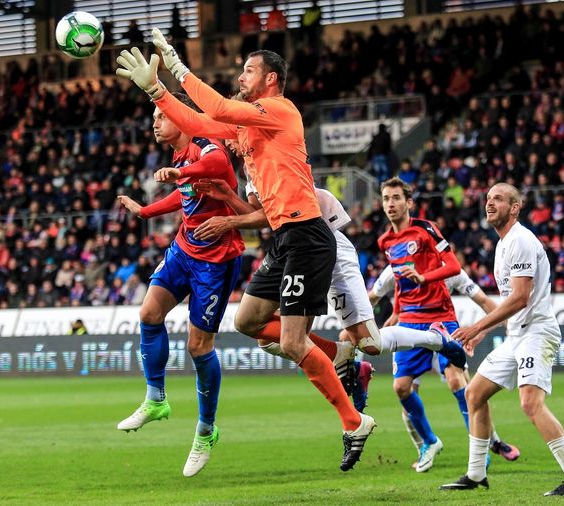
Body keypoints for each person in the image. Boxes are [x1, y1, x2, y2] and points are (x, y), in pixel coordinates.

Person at [115, 42, 376, 471]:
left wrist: (177, 68)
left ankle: (353, 421)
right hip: (284, 240)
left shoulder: (281, 110)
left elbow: (216, 105)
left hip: (309, 235)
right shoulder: (248, 131)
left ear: (270, 79)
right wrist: (155, 92)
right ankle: (337, 356)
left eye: (248, 71)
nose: (241, 77)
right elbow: (198, 120)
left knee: (291, 341)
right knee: (248, 321)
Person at [115, 94, 244, 478]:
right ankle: (156, 399)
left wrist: (182, 174)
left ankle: (206, 430)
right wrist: (146, 210)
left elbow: (218, 163)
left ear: (182, 120)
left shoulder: (205, 144)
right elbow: (184, 195)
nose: (156, 122)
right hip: (184, 249)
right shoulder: (180, 156)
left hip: (216, 261)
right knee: (148, 313)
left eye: (161, 116)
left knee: (198, 346)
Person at [192, 138, 382, 386]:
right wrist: (228, 195)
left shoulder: (275, 154)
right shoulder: (250, 171)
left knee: (370, 345)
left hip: (325, 244)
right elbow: (258, 215)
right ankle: (342, 359)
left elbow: (274, 215)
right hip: (296, 251)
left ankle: (429, 338)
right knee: (270, 338)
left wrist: (227, 222)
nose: (228, 142)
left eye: (232, 135)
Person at [441, 183, 564, 496]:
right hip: (517, 334)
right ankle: (476, 474)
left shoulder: (521, 240)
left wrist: (476, 324)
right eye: (487, 199)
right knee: (475, 394)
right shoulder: (504, 244)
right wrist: (484, 330)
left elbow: (521, 298)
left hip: (537, 332)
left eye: (497, 198)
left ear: (514, 207)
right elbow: (513, 303)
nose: (489, 203)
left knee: (530, 404)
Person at [369, 265, 521, 467]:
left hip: (442, 325)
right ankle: (424, 446)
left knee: (460, 382)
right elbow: (372, 297)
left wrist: (510, 326)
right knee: (403, 389)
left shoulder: (448, 269)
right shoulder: (396, 264)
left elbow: (483, 300)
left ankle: (491, 443)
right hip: (409, 327)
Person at [375, 177, 467, 473]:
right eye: (386, 198)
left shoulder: (426, 229)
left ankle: (480, 447)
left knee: (456, 381)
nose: (391, 204)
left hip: (440, 314)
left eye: (396, 198)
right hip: (411, 319)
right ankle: (430, 441)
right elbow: (401, 281)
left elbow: (454, 267)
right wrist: (398, 310)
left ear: (409, 202)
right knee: (401, 388)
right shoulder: (385, 241)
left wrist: (426, 278)